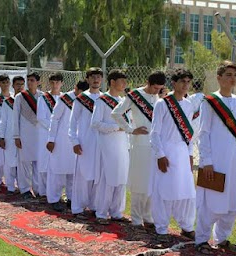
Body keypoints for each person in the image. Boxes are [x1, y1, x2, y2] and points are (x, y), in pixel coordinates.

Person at [195, 60, 236, 254]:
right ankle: (201, 239)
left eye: (235, 75)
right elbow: (203, 133)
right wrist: (207, 161)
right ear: (218, 77)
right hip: (216, 159)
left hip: (234, 159)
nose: (232, 79)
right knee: (213, 200)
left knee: (233, 201)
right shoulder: (209, 102)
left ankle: (222, 238)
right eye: (228, 75)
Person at [112, 70, 166, 230]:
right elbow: (116, 113)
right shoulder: (135, 95)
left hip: (156, 145)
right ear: (148, 83)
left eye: (160, 88)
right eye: (155, 88)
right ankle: (136, 218)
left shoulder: (160, 97)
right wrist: (130, 129)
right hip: (140, 143)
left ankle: (148, 216)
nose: (157, 91)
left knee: (151, 182)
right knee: (139, 182)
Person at [150, 68, 196, 242]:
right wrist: (160, 155)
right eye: (182, 81)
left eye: (188, 82)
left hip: (183, 152)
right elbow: (155, 133)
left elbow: (190, 134)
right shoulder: (162, 104)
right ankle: (161, 227)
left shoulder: (189, 104)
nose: (185, 85)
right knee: (164, 190)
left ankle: (187, 226)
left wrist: (190, 154)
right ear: (174, 83)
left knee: (186, 191)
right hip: (166, 151)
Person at [91, 69, 131, 224]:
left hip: (122, 144)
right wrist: (116, 127)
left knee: (121, 178)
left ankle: (117, 212)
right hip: (107, 145)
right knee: (106, 179)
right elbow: (95, 123)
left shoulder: (123, 101)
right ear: (112, 82)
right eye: (121, 81)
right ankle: (101, 212)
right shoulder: (102, 101)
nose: (124, 84)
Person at [46, 80, 88, 212]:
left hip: (76, 140)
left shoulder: (86, 100)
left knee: (72, 172)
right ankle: (54, 199)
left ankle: (71, 198)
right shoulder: (64, 99)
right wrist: (51, 139)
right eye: (79, 92)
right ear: (75, 88)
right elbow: (54, 118)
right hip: (61, 140)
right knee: (58, 171)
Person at [69, 67, 103, 219]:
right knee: (82, 175)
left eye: (99, 77)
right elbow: (72, 122)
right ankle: (77, 208)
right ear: (88, 79)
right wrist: (74, 141)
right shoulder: (81, 98)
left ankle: (95, 206)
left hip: (101, 143)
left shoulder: (105, 98)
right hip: (84, 142)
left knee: (98, 175)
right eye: (93, 76)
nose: (96, 79)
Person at [13, 72, 43, 199]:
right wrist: (16, 136)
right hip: (24, 134)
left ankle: (38, 189)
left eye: (32, 80)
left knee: (38, 163)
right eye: (28, 80)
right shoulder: (20, 97)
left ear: (38, 82)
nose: (30, 82)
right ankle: (25, 189)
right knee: (24, 163)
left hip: (39, 134)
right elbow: (15, 117)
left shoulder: (43, 96)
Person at [37, 73, 63, 198]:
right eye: (52, 82)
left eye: (57, 82)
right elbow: (41, 118)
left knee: (58, 162)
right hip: (45, 133)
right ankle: (42, 191)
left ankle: (56, 191)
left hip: (60, 135)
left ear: (61, 83)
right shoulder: (43, 98)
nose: (55, 84)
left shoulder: (64, 98)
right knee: (44, 161)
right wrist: (54, 128)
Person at [0, 76, 25, 195]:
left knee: (22, 163)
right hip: (9, 136)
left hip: (24, 136)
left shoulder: (27, 101)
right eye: (17, 84)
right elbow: (3, 121)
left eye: (21, 84)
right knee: (10, 162)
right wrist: (1, 137)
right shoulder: (7, 102)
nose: (19, 87)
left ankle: (23, 187)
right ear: (13, 86)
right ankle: (10, 187)